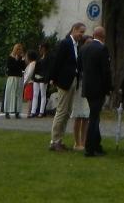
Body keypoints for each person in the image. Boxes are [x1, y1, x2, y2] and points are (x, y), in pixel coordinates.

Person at [48, 22, 86, 152]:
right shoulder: (65, 43)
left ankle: (59, 139)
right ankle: (54, 140)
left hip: (73, 80)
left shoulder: (76, 45)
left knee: (68, 111)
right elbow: (57, 61)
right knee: (62, 111)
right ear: (74, 30)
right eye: (81, 32)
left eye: (83, 32)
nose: (82, 35)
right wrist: (53, 78)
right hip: (65, 81)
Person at [79, 26, 112, 157]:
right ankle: (90, 147)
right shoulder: (102, 49)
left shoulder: (84, 48)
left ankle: (97, 145)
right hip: (98, 88)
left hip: (87, 87)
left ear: (93, 35)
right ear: (103, 36)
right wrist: (108, 88)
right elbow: (106, 71)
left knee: (94, 115)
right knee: (94, 117)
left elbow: (81, 67)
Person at [3, 42, 27, 119]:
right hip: (12, 77)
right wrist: (16, 61)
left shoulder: (21, 58)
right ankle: (7, 111)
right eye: (18, 49)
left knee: (18, 95)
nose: (19, 51)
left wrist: (22, 59)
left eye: (20, 50)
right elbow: (11, 67)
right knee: (10, 94)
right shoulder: (10, 58)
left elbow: (23, 68)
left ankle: (17, 111)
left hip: (19, 78)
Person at [28, 42, 50, 118]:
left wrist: (48, 78)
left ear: (44, 48)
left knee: (43, 95)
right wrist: (33, 76)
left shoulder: (48, 57)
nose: (39, 49)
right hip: (37, 77)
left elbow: (49, 69)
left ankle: (41, 112)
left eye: (40, 47)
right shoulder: (39, 57)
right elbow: (36, 67)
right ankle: (33, 111)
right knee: (35, 94)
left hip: (43, 78)